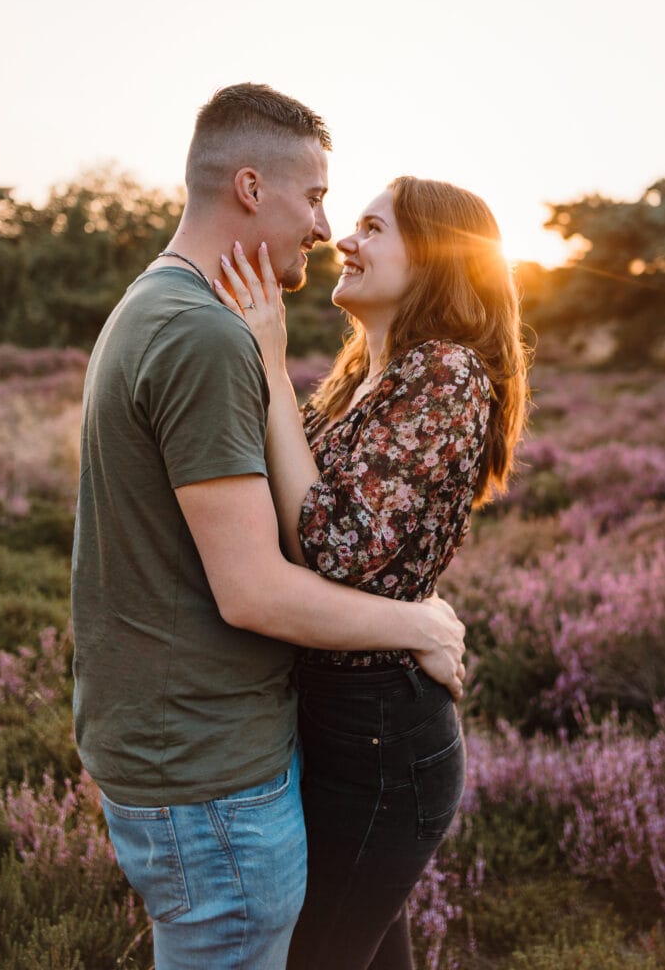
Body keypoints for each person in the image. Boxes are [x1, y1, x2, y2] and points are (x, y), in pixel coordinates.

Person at [71, 85, 468, 970]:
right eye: (317, 196)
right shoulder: (200, 336)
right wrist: (421, 625)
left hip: (183, 746)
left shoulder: (152, 305)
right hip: (208, 769)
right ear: (251, 188)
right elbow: (251, 587)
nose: (324, 228)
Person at [213, 175, 528, 970]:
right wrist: (414, 616)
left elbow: (326, 545)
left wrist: (269, 354)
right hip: (330, 711)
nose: (344, 242)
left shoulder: (446, 373)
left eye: (372, 228)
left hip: (380, 733)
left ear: (435, 258)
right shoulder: (363, 377)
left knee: (315, 956)